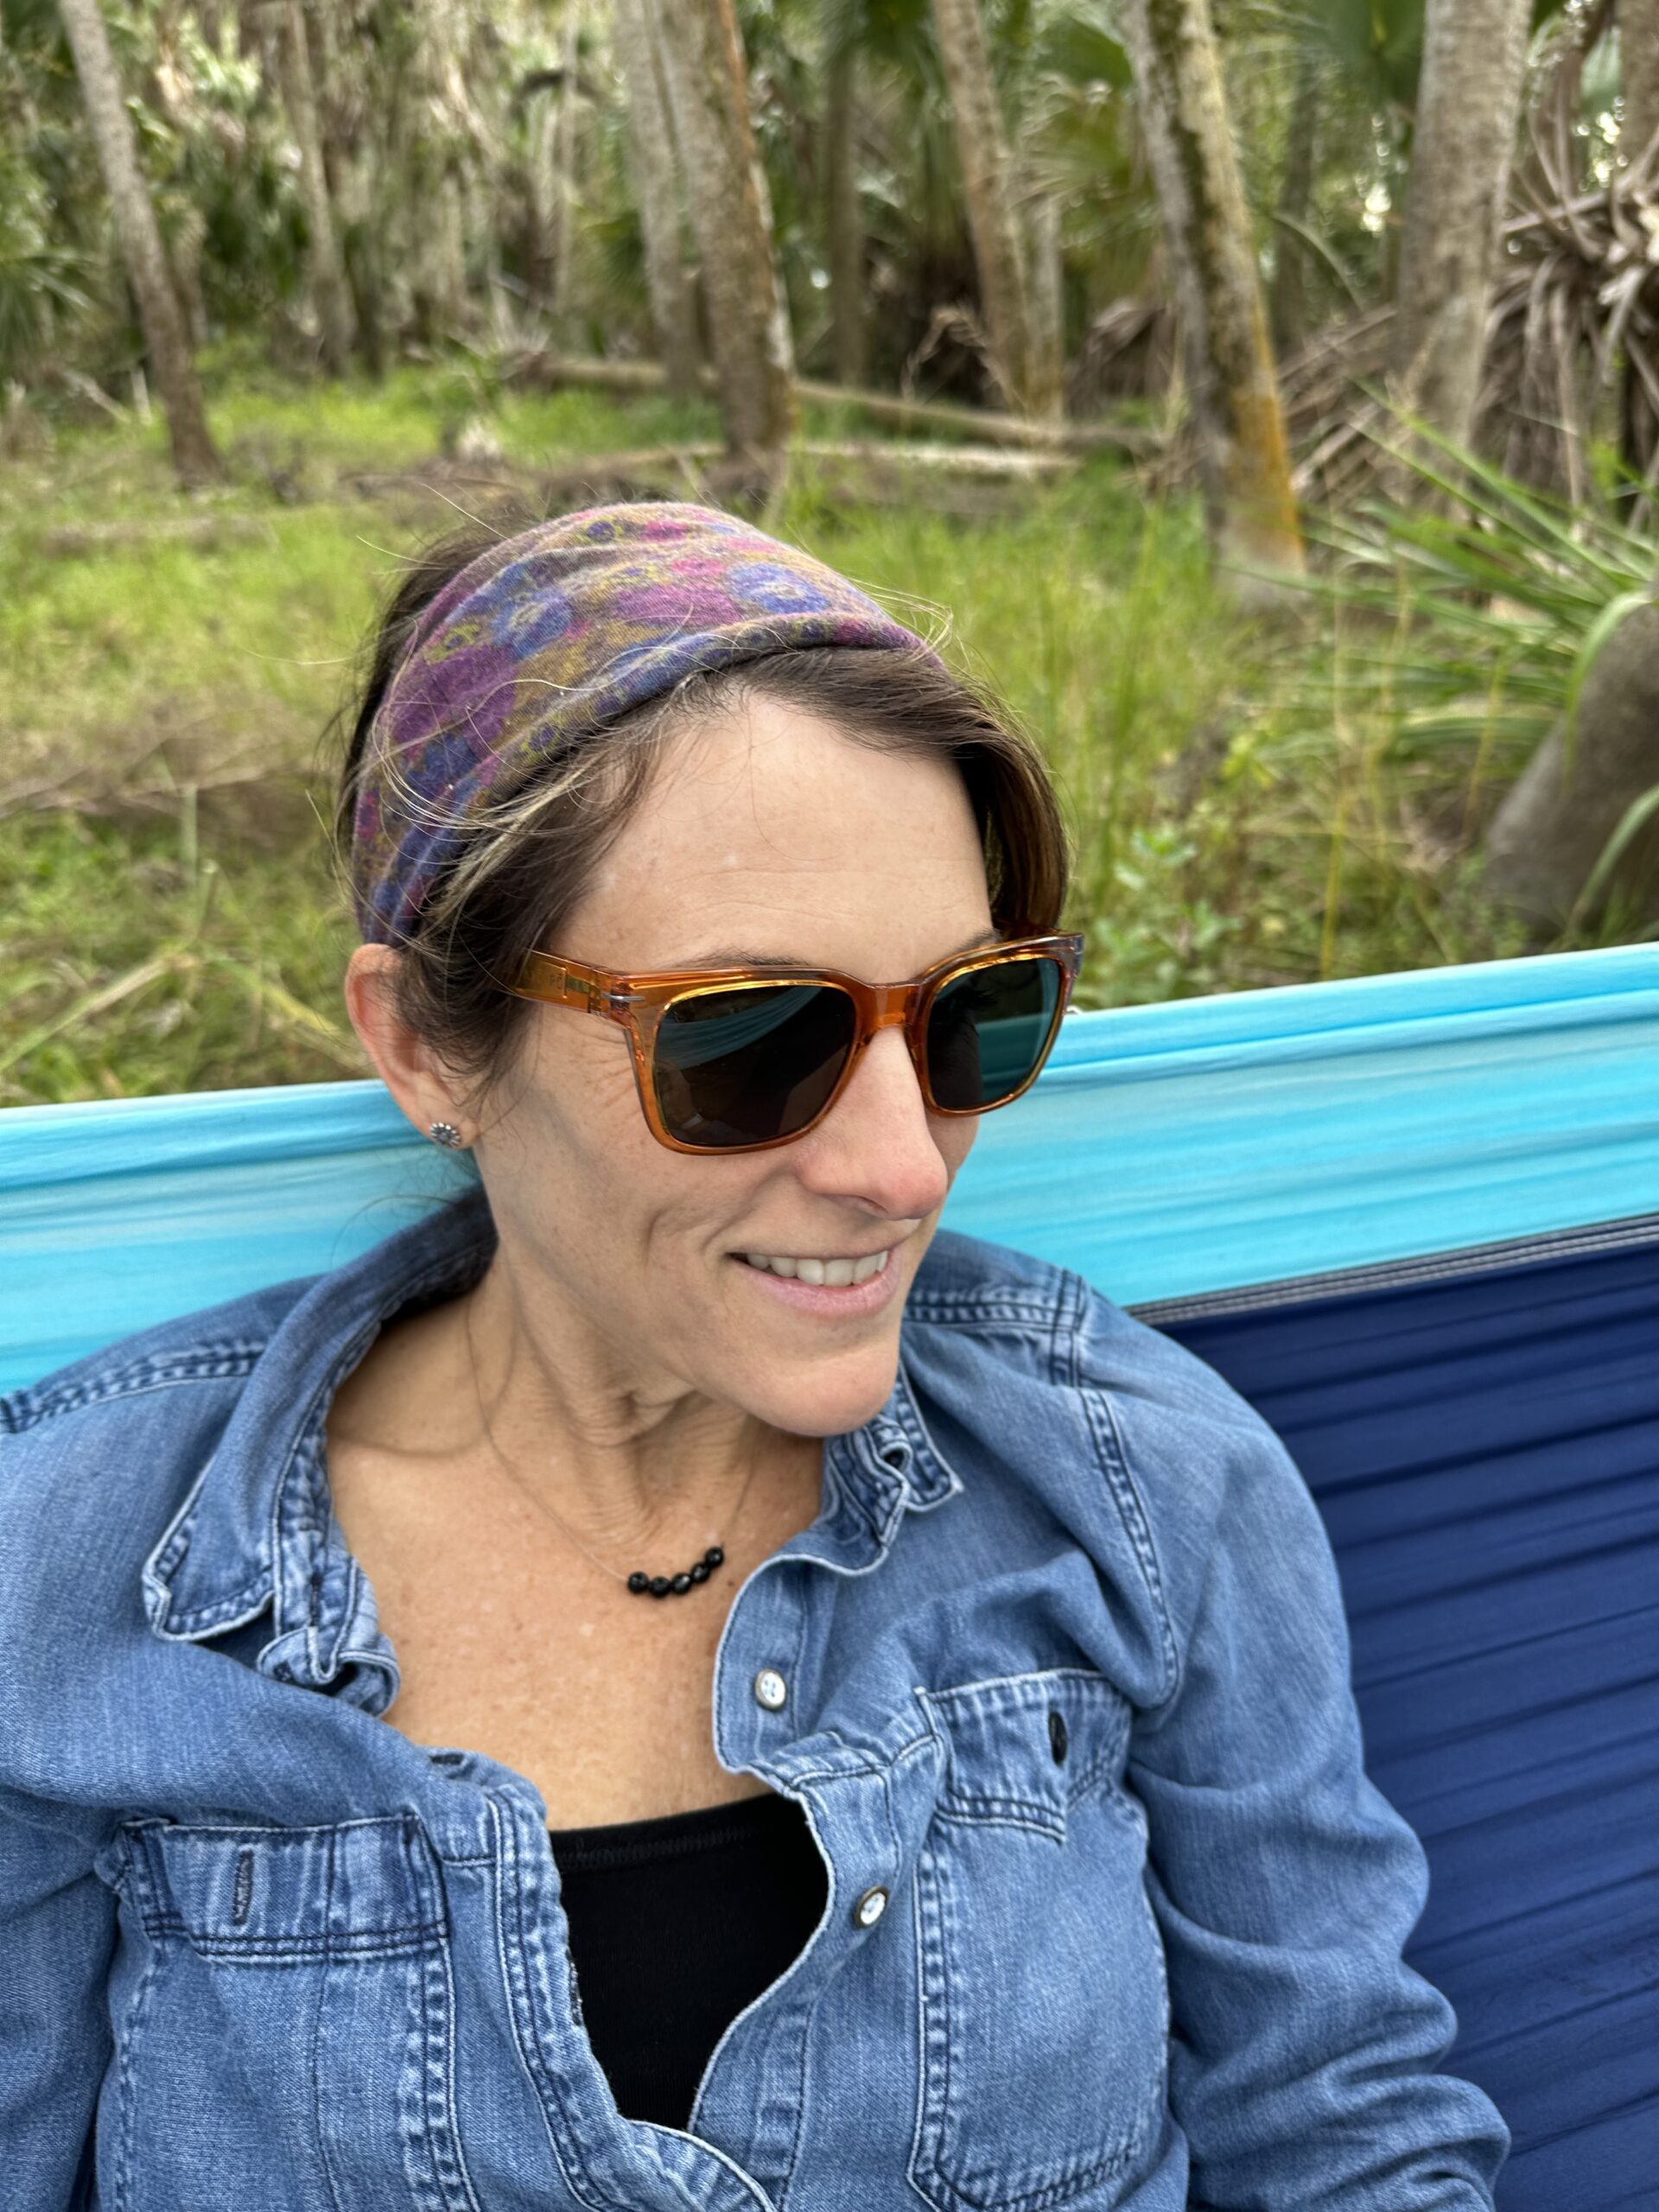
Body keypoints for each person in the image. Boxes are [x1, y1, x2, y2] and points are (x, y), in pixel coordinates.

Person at [0, 501, 1508, 2210]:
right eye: (753, 1041)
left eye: (968, 1015)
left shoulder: (1146, 1489)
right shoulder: (64, 1563)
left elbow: (1349, 2133)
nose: (904, 1163)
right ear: (424, 1043)